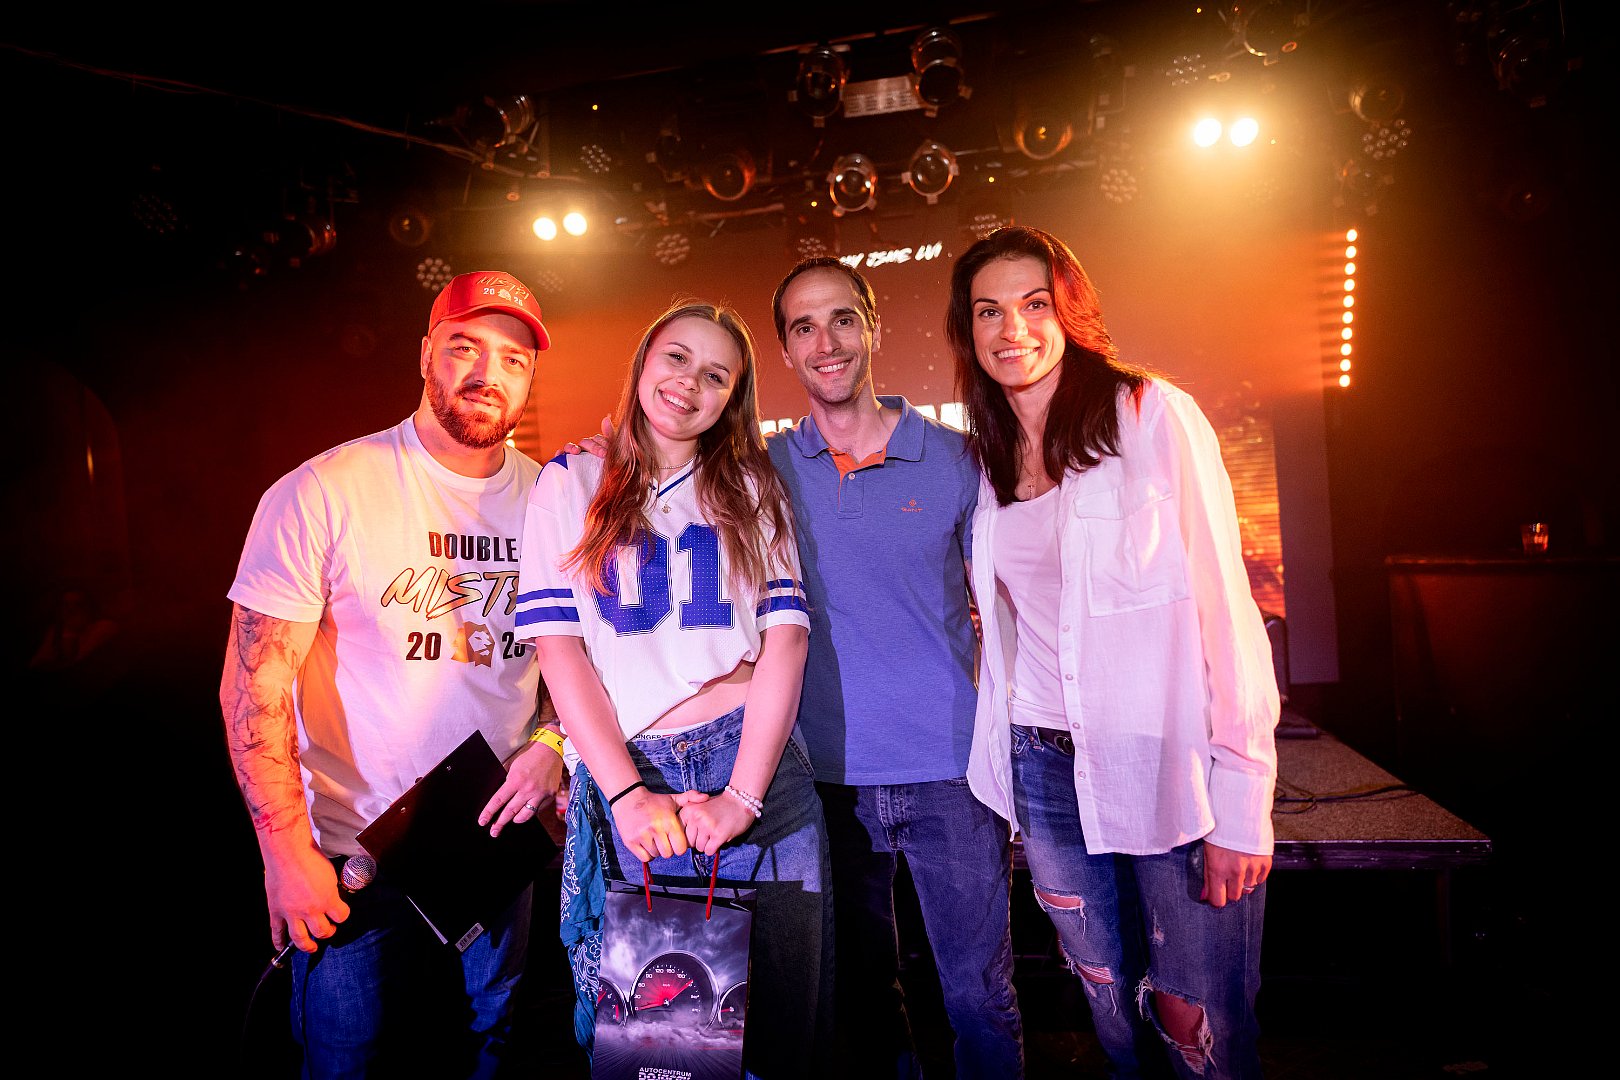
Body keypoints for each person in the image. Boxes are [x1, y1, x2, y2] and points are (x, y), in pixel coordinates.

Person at [947, 226, 1279, 1080]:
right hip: (1042, 766)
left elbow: (1227, 609)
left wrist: (1245, 795)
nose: (1012, 329)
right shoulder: (985, 458)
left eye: (1034, 303)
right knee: (1108, 1004)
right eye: (988, 310)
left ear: (1070, 310)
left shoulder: (1150, 415)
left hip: (1167, 765)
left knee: (1197, 1021)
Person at [221, 270, 565, 1078]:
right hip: (355, 861)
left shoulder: (555, 501)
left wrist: (552, 743)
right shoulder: (325, 490)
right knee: (352, 1063)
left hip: (495, 844)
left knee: (495, 1047)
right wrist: (285, 854)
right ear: (424, 355)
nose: (488, 373)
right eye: (464, 348)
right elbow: (253, 686)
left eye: (514, 359)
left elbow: (577, 666)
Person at [516, 299, 832, 1080]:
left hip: (756, 767)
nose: (691, 382)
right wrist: (627, 796)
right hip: (637, 773)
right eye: (678, 357)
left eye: (717, 375)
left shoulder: (751, 484)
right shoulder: (570, 479)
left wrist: (743, 797)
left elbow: (786, 640)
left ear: (733, 398)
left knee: (780, 1040)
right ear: (644, 360)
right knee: (662, 1055)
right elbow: (560, 651)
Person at [766, 258, 1023, 1078]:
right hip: (822, 781)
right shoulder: (763, 470)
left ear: (872, 326)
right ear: (785, 350)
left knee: (979, 999)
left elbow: (1013, 606)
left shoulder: (958, 459)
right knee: (862, 1001)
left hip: (953, 776)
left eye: (842, 318)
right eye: (804, 327)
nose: (827, 342)